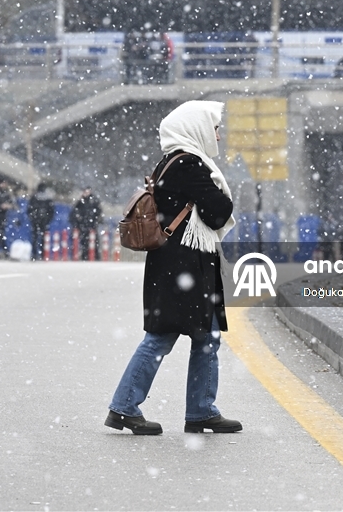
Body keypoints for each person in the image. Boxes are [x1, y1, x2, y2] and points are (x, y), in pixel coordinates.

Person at [105, 100, 240, 436]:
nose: (219, 137)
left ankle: (201, 411)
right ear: (196, 129)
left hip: (178, 264)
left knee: (203, 336)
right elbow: (218, 212)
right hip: (184, 266)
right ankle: (124, 407)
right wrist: (218, 192)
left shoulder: (169, 162)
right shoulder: (190, 165)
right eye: (215, 129)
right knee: (163, 337)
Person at [69, 187, 103, 260]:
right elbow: (75, 212)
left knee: (94, 242)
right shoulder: (80, 202)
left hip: (92, 225)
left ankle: (96, 257)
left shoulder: (94, 201)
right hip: (83, 225)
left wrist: (95, 221)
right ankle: (85, 257)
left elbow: (98, 212)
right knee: (84, 242)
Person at [27, 183, 56, 261]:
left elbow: (29, 210)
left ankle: (34, 254)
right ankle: (43, 254)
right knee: (43, 238)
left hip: (36, 220)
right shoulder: (48, 199)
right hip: (44, 221)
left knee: (35, 238)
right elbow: (51, 211)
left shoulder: (34, 198)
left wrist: (33, 218)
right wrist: (48, 219)